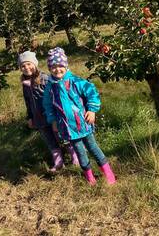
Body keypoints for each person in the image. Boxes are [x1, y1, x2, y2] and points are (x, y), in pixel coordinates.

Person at [43, 47, 116, 185]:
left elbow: (91, 93)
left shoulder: (76, 81)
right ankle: (89, 177)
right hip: (68, 127)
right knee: (80, 153)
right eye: (53, 67)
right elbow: (48, 105)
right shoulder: (50, 86)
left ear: (65, 66)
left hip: (83, 122)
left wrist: (92, 110)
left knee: (93, 148)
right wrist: (52, 120)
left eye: (60, 66)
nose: (57, 69)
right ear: (49, 68)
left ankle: (108, 173)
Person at [18, 51, 79, 172]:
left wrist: (58, 114)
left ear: (35, 64)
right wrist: (30, 117)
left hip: (52, 115)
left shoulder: (44, 79)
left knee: (63, 136)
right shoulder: (25, 84)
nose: (26, 68)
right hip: (38, 118)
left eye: (28, 64)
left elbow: (54, 96)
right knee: (50, 140)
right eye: (23, 66)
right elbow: (28, 102)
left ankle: (75, 158)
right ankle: (59, 162)